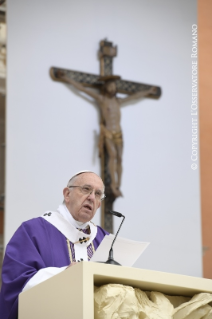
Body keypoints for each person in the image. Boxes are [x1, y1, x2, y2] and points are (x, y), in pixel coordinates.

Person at [0, 171, 108, 319]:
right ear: (67, 194)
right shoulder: (32, 231)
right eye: (86, 189)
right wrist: (65, 274)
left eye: (97, 194)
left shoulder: (104, 239)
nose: (91, 197)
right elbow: (17, 282)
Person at [57, 72, 157, 197]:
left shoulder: (118, 101)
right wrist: (66, 77)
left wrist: (148, 91)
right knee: (113, 156)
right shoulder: (102, 100)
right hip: (108, 133)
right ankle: (113, 186)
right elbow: (82, 89)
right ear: (106, 87)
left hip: (119, 133)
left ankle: (118, 185)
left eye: (114, 86)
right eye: (110, 86)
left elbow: (135, 96)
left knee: (120, 159)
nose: (112, 88)